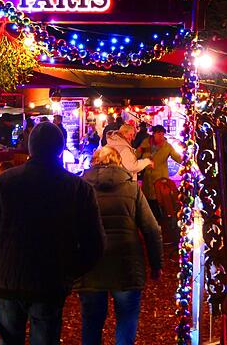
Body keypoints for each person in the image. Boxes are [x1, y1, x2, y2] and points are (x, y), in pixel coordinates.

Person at [0, 122, 105, 345]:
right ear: (60, 148)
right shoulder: (77, 188)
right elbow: (94, 241)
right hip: (49, 278)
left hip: (7, 277)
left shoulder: (3, 182)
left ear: (30, 147)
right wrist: (71, 270)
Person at [77, 146, 162, 345]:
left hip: (91, 263)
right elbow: (151, 229)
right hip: (126, 264)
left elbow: (69, 226)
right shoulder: (132, 188)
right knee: (126, 320)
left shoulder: (81, 188)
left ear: (94, 162)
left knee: (91, 323)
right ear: (119, 163)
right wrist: (156, 264)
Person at [136, 125, 181, 219]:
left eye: (162, 134)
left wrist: (185, 158)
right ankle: (150, 220)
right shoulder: (146, 142)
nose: (161, 136)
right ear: (154, 134)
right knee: (148, 200)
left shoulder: (167, 146)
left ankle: (162, 221)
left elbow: (177, 158)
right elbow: (137, 155)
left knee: (160, 201)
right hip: (148, 177)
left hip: (161, 179)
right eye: (158, 134)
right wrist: (139, 150)